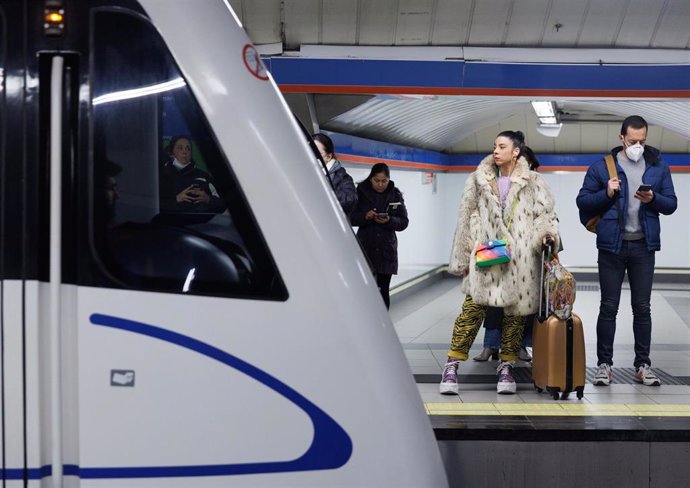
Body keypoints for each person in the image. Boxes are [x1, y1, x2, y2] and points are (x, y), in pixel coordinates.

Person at [441, 130, 560, 395]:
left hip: (521, 258)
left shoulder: (534, 181)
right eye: (494, 146)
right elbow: (466, 217)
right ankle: (452, 365)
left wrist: (547, 236)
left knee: (515, 316)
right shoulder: (478, 179)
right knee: (472, 309)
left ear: (515, 151)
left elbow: (545, 216)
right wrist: (464, 254)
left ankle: (507, 366)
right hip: (488, 251)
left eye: (502, 146)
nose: (496, 150)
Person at [576, 115, 677, 387]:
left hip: (644, 246)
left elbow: (671, 204)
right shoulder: (602, 168)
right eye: (633, 141)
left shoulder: (657, 167)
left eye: (642, 141)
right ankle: (604, 365)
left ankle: (643, 365)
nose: (638, 146)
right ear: (621, 138)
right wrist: (607, 193)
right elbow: (583, 202)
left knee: (642, 308)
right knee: (608, 307)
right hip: (612, 247)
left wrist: (654, 198)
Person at [473, 146, 542, 363]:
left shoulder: (537, 185)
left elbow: (547, 215)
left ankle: (519, 345)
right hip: (499, 248)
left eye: (528, 163)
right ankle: (491, 345)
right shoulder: (498, 184)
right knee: (495, 301)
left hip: (526, 255)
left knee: (522, 303)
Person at [350, 163, 409, 309]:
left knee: (383, 289)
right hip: (366, 247)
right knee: (366, 290)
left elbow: (403, 222)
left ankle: (383, 325)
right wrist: (366, 216)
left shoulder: (395, 194)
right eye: (377, 181)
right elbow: (350, 218)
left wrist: (389, 220)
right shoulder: (360, 193)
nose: (381, 184)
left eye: (384, 181)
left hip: (386, 249)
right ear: (371, 178)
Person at [159, 135, 226, 214]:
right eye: (180, 148)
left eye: (188, 149)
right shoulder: (159, 176)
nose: (185, 152)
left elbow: (223, 204)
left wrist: (208, 200)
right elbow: (150, 204)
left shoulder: (203, 176)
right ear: (171, 153)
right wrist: (176, 199)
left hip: (199, 224)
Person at [312, 133, 357, 216]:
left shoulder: (343, 178)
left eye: (317, 153)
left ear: (329, 157)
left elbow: (350, 202)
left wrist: (323, 187)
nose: (312, 156)